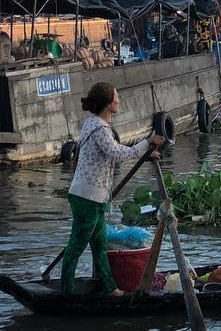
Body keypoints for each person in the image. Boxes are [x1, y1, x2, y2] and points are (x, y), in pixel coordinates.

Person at [61, 82, 166, 296]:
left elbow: (109, 155)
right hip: (86, 197)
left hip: (91, 197)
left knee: (100, 245)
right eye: (116, 97)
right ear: (109, 104)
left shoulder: (93, 123)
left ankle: (110, 288)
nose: (119, 101)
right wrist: (148, 143)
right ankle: (66, 292)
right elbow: (118, 154)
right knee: (77, 245)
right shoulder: (99, 128)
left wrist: (146, 155)